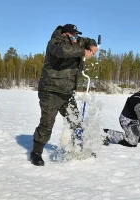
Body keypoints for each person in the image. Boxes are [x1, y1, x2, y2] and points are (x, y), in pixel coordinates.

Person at [30, 24, 98, 166]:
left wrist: (92, 45)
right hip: (51, 91)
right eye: (73, 35)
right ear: (65, 34)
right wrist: (82, 52)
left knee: (76, 121)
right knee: (47, 123)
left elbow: (87, 40)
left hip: (67, 92)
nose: (76, 38)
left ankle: (77, 148)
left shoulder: (76, 41)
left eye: (76, 35)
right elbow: (64, 51)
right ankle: (36, 152)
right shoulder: (55, 43)